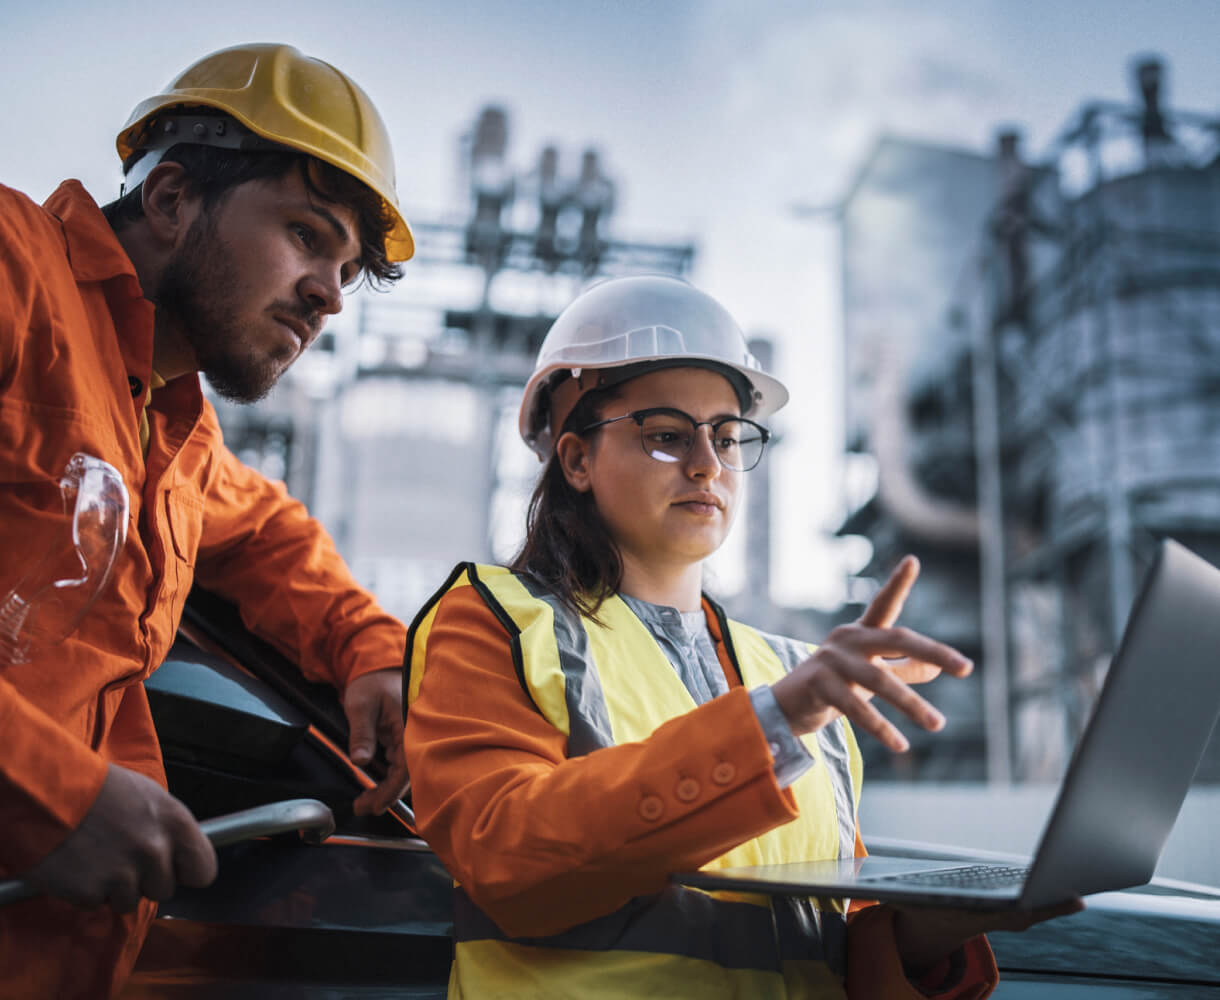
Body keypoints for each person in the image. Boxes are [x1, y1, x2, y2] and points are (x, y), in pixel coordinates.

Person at [403, 274, 1080, 998]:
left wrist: (930, 935)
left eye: (728, 438)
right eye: (666, 435)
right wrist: (774, 721)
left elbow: (824, 938)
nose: (707, 464)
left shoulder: (795, 674)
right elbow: (507, 859)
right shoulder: (494, 621)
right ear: (576, 460)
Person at [0, 43, 415, 998]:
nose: (328, 296)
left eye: (346, 268)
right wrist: (45, 795)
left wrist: (371, 650)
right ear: (173, 198)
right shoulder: (18, 273)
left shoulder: (174, 427)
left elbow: (272, 536)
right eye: (307, 235)